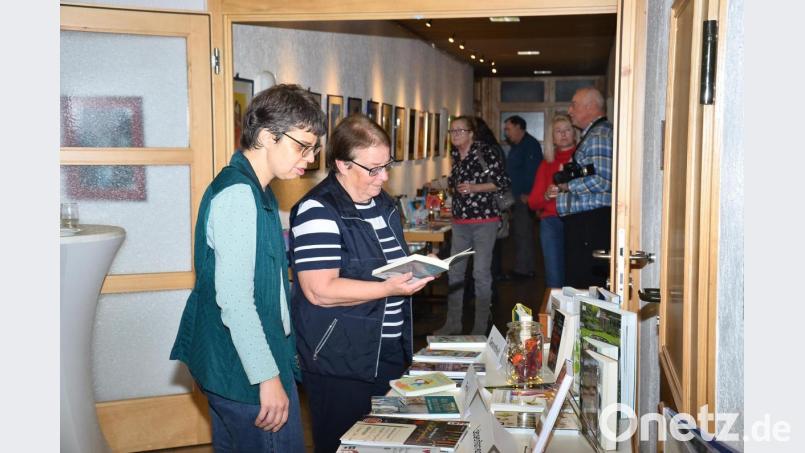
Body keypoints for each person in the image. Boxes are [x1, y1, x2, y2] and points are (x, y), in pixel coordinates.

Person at [170, 84, 326, 452]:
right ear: (268, 136)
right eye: (302, 147)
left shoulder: (259, 190)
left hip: (249, 361)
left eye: (314, 149)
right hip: (247, 370)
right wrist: (267, 377)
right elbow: (236, 300)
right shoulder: (239, 195)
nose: (309, 158)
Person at [289, 114, 435, 453]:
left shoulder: (384, 204)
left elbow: (382, 267)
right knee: (345, 445)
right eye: (374, 169)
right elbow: (319, 290)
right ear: (342, 165)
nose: (384, 177)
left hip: (388, 352)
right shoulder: (318, 210)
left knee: (387, 444)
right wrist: (388, 289)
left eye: (387, 166)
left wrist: (416, 269)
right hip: (341, 360)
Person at [434, 116, 512, 335]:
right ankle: (453, 323)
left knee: (480, 273)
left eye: (460, 130)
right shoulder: (455, 156)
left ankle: (479, 327)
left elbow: (502, 182)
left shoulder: (485, 152)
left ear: (471, 133)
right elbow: (454, 182)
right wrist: (437, 184)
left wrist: (475, 188)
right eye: (452, 131)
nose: (455, 134)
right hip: (460, 221)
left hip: (484, 220)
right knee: (455, 272)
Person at [547, 86, 613, 288]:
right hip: (587, 222)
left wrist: (567, 186)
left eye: (574, 105)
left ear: (590, 107)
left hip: (590, 223)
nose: (570, 111)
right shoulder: (595, 133)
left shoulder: (598, 135)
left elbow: (602, 180)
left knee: (585, 284)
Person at [528, 114, 577, 289]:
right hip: (551, 222)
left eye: (567, 130)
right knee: (554, 278)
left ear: (574, 133)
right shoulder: (546, 164)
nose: (563, 134)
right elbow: (533, 202)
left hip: (577, 220)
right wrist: (547, 196)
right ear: (552, 138)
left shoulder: (583, 158)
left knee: (577, 276)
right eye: (558, 131)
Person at [502, 115, 544, 279]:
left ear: (519, 127)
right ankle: (522, 267)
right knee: (519, 233)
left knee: (524, 232)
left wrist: (529, 194)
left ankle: (524, 271)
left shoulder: (530, 145)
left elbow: (534, 172)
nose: (506, 133)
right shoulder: (517, 146)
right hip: (516, 197)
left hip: (524, 197)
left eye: (508, 129)